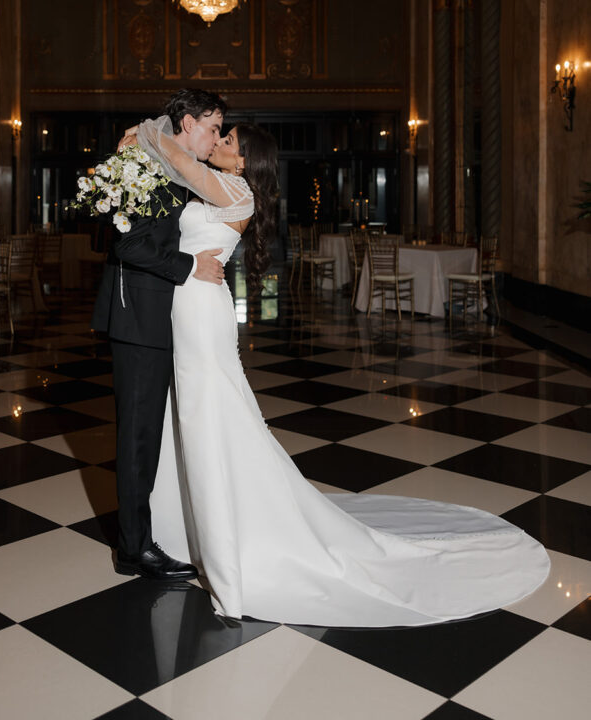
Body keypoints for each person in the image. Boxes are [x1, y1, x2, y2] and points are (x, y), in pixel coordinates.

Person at [122, 113, 550, 626]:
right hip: (186, 307)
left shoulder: (237, 192)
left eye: (227, 138)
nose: (217, 141)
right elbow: (173, 179)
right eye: (218, 132)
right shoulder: (216, 185)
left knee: (208, 414)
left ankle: (230, 551)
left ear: (245, 159)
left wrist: (149, 134)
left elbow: (178, 162)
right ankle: (185, 530)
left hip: (202, 313)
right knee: (190, 415)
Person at [92, 88, 227, 580]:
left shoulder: (165, 165)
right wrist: (191, 265)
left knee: (147, 433)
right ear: (188, 124)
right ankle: (134, 549)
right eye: (213, 128)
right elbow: (130, 246)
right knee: (138, 435)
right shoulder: (146, 166)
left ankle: (143, 534)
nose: (215, 138)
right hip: (137, 318)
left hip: (155, 318)